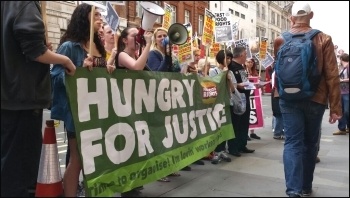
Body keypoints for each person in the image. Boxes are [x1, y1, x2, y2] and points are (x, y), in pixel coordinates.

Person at [1, 1, 76, 196]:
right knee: (21, 172)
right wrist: (64, 60)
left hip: (9, 97)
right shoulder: (24, 4)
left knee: (9, 166)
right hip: (22, 98)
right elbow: (35, 50)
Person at [273, 2, 342, 197]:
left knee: (292, 143)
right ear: (311, 15)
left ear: (291, 18)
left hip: (288, 98)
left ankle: (293, 191)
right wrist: (335, 107)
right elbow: (332, 75)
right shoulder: (323, 38)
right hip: (316, 98)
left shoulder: (280, 39)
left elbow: (278, 72)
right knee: (310, 144)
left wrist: (280, 95)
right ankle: (305, 186)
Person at [50, 4, 109, 197]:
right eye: (96, 14)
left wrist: (108, 70)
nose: (100, 18)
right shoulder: (69, 47)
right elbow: (56, 77)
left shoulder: (99, 46)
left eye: (101, 14)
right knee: (77, 159)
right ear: (84, 18)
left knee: (92, 158)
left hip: (97, 108)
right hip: (77, 110)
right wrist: (78, 69)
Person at [112, 26, 153, 197]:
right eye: (134, 35)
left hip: (134, 107)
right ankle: (126, 187)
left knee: (136, 145)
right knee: (126, 147)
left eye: (139, 36)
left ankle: (134, 181)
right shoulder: (122, 55)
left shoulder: (136, 54)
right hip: (123, 107)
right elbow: (136, 68)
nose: (137, 38)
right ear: (124, 40)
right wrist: (149, 45)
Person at [227, 46, 256, 155]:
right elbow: (231, 83)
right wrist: (239, 85)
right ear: (240, 55)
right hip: (236, 98)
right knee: (236, 124)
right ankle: (233, 147)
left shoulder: (242, 66)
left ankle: (242, 144)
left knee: (244, 122)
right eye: (245, 54)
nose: (246, 56)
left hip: (245, 96)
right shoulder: (231, 67)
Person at [209, 50, 235, 164]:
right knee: (216, 127)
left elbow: (233, 90)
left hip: (227, 102)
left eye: (230, 58)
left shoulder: (230, 72)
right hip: (216, 103)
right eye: (226, 58)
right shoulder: (213, 71)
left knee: (225, 126)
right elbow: (213, 85)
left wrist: (229, 78)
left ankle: (222, 150)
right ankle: (215, 151)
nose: (228, 61)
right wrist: (223, 74)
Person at [244, 58, 261, 140]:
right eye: (248, 62)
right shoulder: (244, 71)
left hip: (254, 94)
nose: (250, 64)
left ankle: (252, 132)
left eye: (251, 62)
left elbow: (257, 83)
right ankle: (245, 132)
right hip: (247, 94)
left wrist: (258, 79)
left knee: (254, 112)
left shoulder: (254, 72)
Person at [333, 53, 349, 135]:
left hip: (347, 92)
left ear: (342, 59)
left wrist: (342, 80)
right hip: (341, 91)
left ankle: (346, 127)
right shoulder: (342, 67)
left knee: (346, 110)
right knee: (341, 110)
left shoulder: (348, 67)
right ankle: (342, 128)